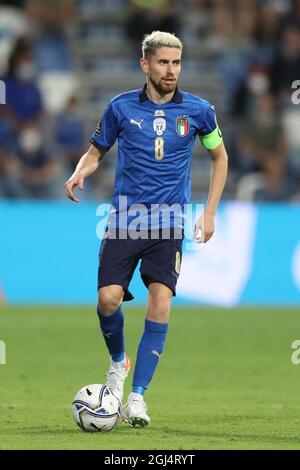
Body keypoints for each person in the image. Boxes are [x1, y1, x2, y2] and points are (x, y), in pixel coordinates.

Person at [65, 31, 228, 428]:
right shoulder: (120, 108)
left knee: (160, 302)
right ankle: (119, 361)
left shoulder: (199, 111)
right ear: (146, 64)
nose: (170, 70)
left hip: (169, 223)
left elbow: (220, 158)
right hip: (124, 220)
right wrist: (79, 172)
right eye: (163, 63)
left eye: (176, 63)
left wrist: (208, 214)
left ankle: (136, 398)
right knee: (108, 299)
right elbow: (95, 152)